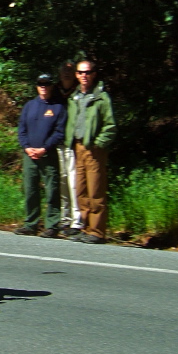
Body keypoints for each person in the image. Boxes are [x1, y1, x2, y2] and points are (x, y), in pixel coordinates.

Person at [65, 60, 117, 244]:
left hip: (94, 149)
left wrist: (99, 143)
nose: (84, 76)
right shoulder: (75, 97)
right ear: (77, 75)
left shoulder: (101, 98)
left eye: (88, 72)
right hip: (78, 147)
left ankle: (97, 231)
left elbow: (110, 125)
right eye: (80, 72)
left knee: (96, 190)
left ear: (94, 74)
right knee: (81, 190)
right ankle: (85, 228)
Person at [14, 74, 67, 237]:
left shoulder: (58, 107)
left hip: (48, 154)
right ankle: (31, 224)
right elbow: (21, 130)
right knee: (30, 189)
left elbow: (60, 132)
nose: (43, 86)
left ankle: (52, 225)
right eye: (40, 84)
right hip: (29, 155)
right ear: (36, 86)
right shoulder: (29, 106)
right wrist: (27, 147)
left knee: (52, 190)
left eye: (46, 84)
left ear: (51, 86)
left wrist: (45, 148)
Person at [54, 60, 82, 236]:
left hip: (73, 144)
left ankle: (76, 221)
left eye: (70, 71)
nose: (66, 73)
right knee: (62, 183)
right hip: (57, 143)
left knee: (74, 183)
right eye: (63, 70)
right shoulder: (55, 91)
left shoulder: (79, 92)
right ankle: (64, 220)